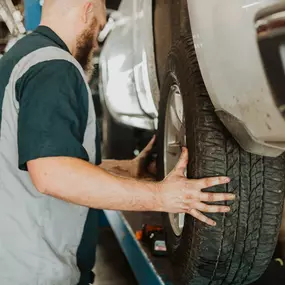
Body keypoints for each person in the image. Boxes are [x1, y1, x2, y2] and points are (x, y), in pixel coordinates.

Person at [0, 0, 235, 284]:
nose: (97, 46)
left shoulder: (18, 60)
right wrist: (161, 197)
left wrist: (128, 169)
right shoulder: (53, 67)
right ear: (87, 9)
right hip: (34, 273)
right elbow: (52, 173)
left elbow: (35, 159)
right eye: (99, 27)